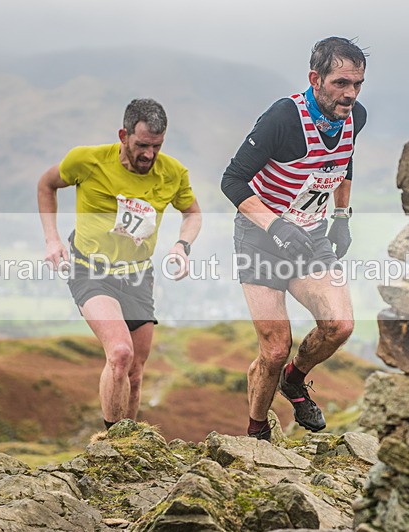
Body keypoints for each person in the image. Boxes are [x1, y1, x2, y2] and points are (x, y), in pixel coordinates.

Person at [220, 37, 367, 440]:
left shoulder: (355, 115)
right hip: (260, 238)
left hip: (310, 236)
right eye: (340, 83)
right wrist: (275, 225)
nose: (350, 94)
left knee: (339, 325)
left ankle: (294, 380)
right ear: (314, 79)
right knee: (274, 348)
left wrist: (341, 216)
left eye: (357, 84)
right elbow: (231, 181)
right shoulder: (283, 118)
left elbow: (344, 158)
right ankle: (256, 434)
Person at [38, 98, 201, 429]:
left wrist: (182, 245)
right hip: (90, 271)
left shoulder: (173, 173)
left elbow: (193, 213)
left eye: (156, 146)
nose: (149, 155)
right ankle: (109, 446)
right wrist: (52, 239)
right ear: (123, 135)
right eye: (142, 145)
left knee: (136, 372)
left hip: (138, 276)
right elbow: (47, 185)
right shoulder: (87, 160)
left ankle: (126, 445)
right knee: (120, 354)